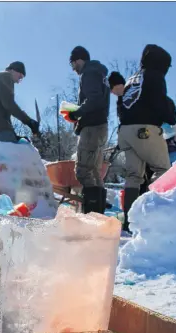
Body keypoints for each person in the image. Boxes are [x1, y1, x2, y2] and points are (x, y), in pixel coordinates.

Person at [116, 44, 176, 232]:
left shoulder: (132, 79)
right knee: (162, 169)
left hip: (125, 130)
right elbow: (160, 102)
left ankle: (129, 221)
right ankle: (152, 218)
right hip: (146, 129)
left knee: (134, 175)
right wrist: (170, 118)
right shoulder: (155, 76)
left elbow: (122, 104)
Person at [64, 46, 110, 214]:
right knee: (95, 172)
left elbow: (94, 99)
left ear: (78, 60)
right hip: (101, 125)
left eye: (72, 64)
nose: (73, 69)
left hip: (92, 126)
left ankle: (90, 216)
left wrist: (77, 113)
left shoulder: (88, 73)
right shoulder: (100, 73)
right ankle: (98, 216)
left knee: (83, 171)